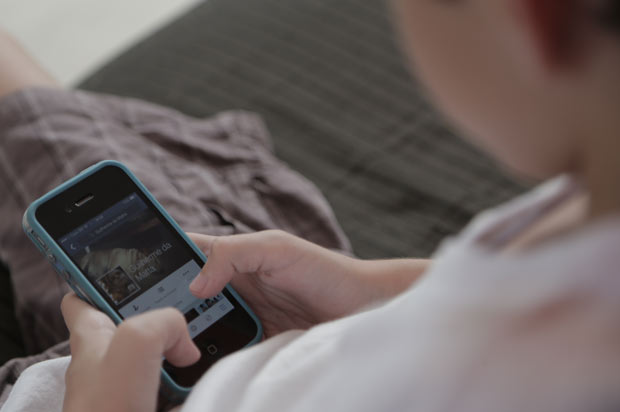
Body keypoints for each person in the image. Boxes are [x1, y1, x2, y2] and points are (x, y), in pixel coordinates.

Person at [3, 0, 620, 410]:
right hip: (295, 326)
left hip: (114, 387)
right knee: (99, 172)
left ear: (530, 20)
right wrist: (373, 291)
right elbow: (499, 298)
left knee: (65, 147)